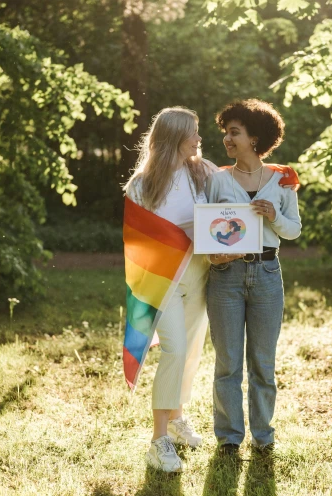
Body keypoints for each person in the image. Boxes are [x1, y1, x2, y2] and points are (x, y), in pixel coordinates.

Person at [205, 99, 302, 456]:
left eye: (234, 132)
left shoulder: (281, 180)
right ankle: (229, 438)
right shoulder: (216, 180)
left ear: (255, 138)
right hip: (225, 276)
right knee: (227, 363)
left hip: (267, 274)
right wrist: (213, 252)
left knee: (263, 363)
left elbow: (293, 231)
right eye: (226, 133)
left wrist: (274, 215)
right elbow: (205, 227)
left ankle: (264, 437)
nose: (227, 139)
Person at [123, 107, 216, 472]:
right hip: (163, 279)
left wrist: (274, 178)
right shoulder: (141, 184)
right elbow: (139, 240)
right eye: (193, 133)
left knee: (191, 350)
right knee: (175, 350)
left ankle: (177, 419)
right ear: (174, 137)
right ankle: (158, 440)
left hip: (200, 273)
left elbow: (231, 198)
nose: (198, 139)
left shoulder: (203, 173)